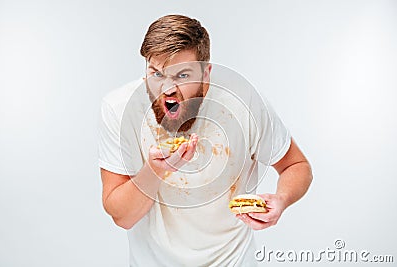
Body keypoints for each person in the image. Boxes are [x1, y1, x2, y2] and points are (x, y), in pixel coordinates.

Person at [98, 14, 313, 266]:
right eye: (156, 74)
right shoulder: (118, 108)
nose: (167, 89)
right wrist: (156, 170)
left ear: (206, 73)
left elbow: (295, 166)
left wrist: (281, 199)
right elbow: (121, 217)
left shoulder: (244, 103)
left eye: (182, 76)